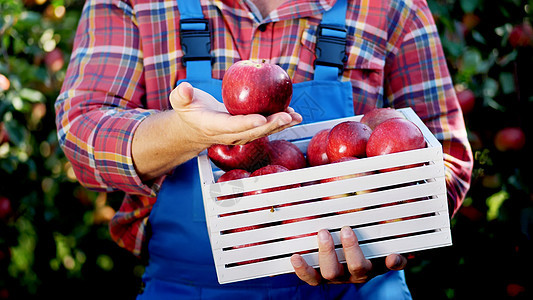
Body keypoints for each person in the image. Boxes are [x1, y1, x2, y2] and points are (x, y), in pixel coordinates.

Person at [55, 0, 473, 298]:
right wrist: (191, 133)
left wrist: (382, 235)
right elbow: (82, 135)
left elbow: (447, 158)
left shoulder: (392, 7)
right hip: (188, 289)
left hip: (357, 285)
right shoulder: (134, 3)